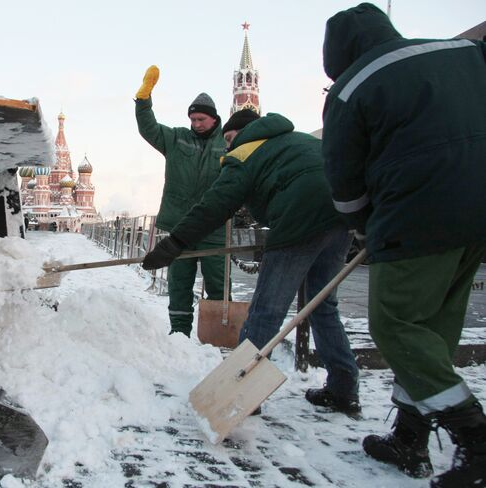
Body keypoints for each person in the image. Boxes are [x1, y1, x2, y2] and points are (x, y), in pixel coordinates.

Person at [321, 4, 486, 486]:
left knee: (395, 325)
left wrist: (364, 225)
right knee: (433, 328)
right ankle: (411, 439)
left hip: (418, 211)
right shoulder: (466, 52)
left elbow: (345, 182)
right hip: (479, 214)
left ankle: (475, 441)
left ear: (338, 54)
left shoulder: (351, 87)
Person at [142, 109, 361, 414]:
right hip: (341, 218)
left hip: (298, 220)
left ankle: (239, 395)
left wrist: (176, 242)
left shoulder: (245, 153)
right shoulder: (296, 141)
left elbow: (215, 205)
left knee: (265, 311)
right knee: (322, 303)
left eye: (229, 138)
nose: (228, 147)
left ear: (245, 134)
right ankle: (344, 388)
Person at [135, 65, 228, 337]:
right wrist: (143, 101)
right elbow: (148, 127)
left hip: (215, 229)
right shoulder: (177, 138)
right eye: (193, 119)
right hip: (180, 226)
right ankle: (179, 337)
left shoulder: (228, 142)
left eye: (201, 119)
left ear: (214, 119)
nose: (196, 124)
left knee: (219, 286)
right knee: (179, 285)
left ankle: (220, 337)